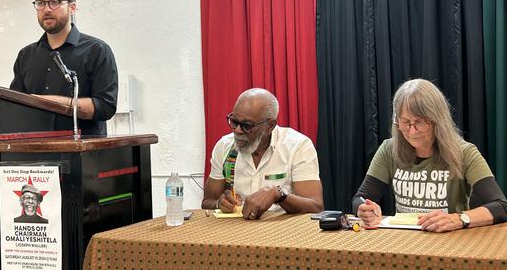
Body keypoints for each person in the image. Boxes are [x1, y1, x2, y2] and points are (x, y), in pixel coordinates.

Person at [352, 78, 507, 232]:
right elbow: (360, 198)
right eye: (405, 122)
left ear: (437, 120)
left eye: (420, 122)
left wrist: (458, 218)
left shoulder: (465, 153)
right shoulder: (389, 149)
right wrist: (363, 208)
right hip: (404, 241)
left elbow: (501, 206)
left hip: (449, 241)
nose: (412, 131)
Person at [10, 0, 118, 135]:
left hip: (83, 153)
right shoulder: (26, 55)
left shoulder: (97, 50)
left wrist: (48, 103)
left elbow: (106, 107)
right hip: (34, 153)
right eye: (40, 3)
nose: (46, 9)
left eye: (54, 2)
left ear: (72, 8)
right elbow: (14, 107)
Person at [201, 88, 324, 219]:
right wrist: (220, 203)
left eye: (246, 125)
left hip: (283, 233)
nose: (237, 130)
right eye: (234, 121)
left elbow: (315, 207)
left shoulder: (297, 146)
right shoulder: (224, 147)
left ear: (270, 126)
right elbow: (207, 202)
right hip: (234, 233)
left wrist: (278, 194)